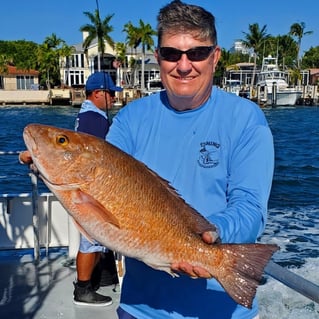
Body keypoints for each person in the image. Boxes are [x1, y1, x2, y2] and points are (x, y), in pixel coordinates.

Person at [106, 1, 274, 318]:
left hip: (221, 309)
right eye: (172, 54)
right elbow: (105, 188)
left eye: (197, 53)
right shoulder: (129, 119)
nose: (184, 65)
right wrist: (51, 169)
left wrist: (209, 237)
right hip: (141, 308)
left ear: (216, 56)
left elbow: (250, 206)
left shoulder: (246, 119)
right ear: (157, 57)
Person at [73, 71, 122, 307]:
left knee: (98, 239)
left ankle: (101, 276)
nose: (113, 98)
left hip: (91, 188)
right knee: (90, 240)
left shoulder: (89, 116)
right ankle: (82, 289)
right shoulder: (96, 120)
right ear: (97, 94)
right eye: (110, 93)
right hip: (93, 190)